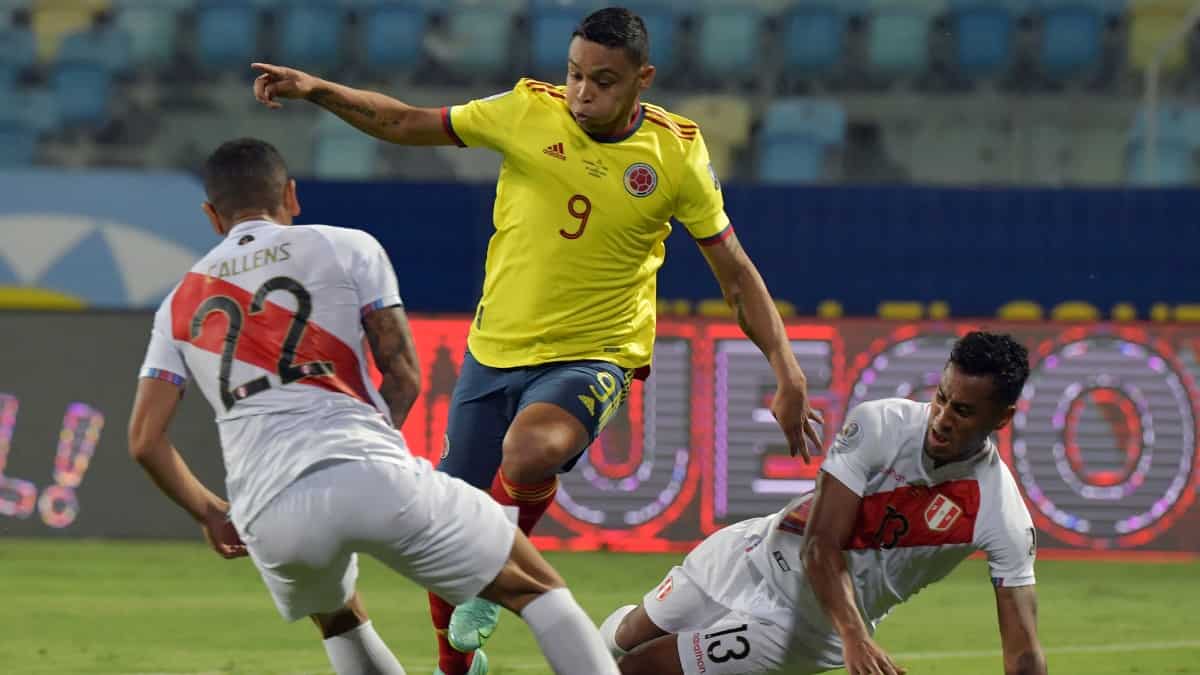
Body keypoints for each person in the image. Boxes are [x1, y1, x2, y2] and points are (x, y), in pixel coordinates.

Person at [250, 7, 823, 674]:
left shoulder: (676, 153)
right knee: (444, 528)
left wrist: (786, 368)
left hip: (595, 353)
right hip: (493, 350)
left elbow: (735, 273)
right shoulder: (527, 110)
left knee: (528, 452)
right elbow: (403, 122)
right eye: (576, 74)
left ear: (644, 79)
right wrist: (320, 90)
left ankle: (494, 575)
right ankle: (457, 666)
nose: (583, 93)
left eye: (604, 81)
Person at [127, 138, 620, 675]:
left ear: (211, 215)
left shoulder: (178, 302)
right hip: (366, 469)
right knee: (538, 590)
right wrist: (365, 449)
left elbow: (144, 442)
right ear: (291, 195)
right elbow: (404, 374)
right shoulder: (347, 246)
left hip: (267, 511)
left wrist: (211, 512)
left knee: (339, 620)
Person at [599, 331, 1048, 675]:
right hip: (748, 553)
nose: (943, 420)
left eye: (964, 412)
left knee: (638, 670)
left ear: (1002, 418)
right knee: (622, 642)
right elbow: (821, 543)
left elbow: (1023, 653)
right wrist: (857, 637)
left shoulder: (1000, 514)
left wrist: (850, 633)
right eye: (942, 398)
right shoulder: (880, 423)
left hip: (804, 626)